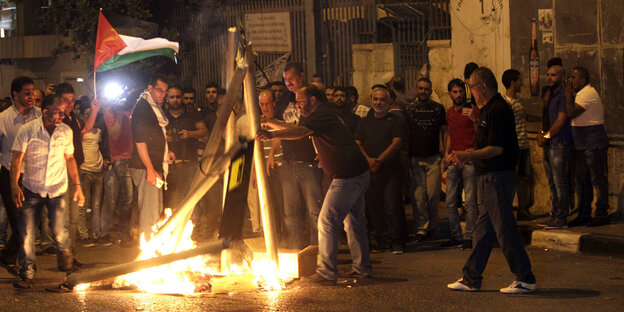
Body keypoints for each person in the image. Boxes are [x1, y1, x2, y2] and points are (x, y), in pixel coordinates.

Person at [258, 85, 371, 285]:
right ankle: (362, 268)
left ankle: (327, 272)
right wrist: (270, 122)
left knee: (326, 220)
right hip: (355, 172)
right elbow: (294, 128)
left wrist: (271, 134)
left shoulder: (322, 115)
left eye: (301, 101)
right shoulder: (319, 116)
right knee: (353, 222)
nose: (298, 105)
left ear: (313, 100)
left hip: (348, 176)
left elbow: (300, 131)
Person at [447, 67, 536, 294]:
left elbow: (496, 148)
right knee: (483, 231)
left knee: (505, 229)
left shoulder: (498, 109)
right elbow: (485, 143)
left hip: (497, 177)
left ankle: (525, 278)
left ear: (482, 87)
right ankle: (471, 277)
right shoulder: (487, 110)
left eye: (472, 87)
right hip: (488, 178)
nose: (471, 93)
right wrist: (469, 150)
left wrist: (468, 155)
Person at [10, 93, 85, 288]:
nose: (62, 116)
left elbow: (70, 158)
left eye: (63, 112)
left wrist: (77, 186)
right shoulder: (28, 130)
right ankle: (27, 273)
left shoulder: (66, 131)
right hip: (32, 188)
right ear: (45, 112)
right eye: (58, 112)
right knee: (27, 233)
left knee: (60, 231)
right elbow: (17, 159)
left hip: (57, 188)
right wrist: (14, 185)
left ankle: (67, 268)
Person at [267, 62, 323, 249]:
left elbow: (306, 130)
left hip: (309, 163)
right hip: (288, 162)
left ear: (301, 75)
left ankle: (318, 251)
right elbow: (283, 127)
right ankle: (295, 249)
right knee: (290, 212)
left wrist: (322, 152)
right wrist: (272, 153)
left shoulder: (314, 97)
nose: (288, 83)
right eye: (285, 80)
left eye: (291, 78)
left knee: (314, 210)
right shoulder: (284, 98)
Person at [355, 85, 406, 254]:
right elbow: (358, 143)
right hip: (371, 171)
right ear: (371, 100)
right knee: (373, 206)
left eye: (382, 99)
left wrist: (379, 160)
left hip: (391, 170)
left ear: (389, 101)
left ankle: (397, 242)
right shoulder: (364, 121)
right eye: (376, 99)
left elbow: (396, 143)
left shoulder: (396, 120)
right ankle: (380, 241)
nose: (379, 102)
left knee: (392, 205)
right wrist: (369, 160)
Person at [0, 76, 41, 276]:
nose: (31, 96)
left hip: (35, 176)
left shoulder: (40, 116)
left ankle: (7, 256)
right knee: (20, 224)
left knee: (30, 222)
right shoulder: (4, 119)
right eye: (26, 92)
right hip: (11, 176)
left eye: (32, 92)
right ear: (15, 94)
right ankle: (27, 265)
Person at [129, 75, 175, 240]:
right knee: (150, 211)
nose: (163, 94)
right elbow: (140, 141)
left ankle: (154, 246)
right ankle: (148, 249)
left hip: (154, 165)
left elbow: (154, 137)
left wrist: (165, 152)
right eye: (159, 90)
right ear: (150, 88)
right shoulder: (143, 108)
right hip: (146, 167)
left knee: (156, 209)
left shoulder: (153, 107)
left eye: (165, 91)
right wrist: (149, 168)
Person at [56, 82, 99, 248]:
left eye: (72, 100)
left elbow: (86, 128)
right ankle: (64, 255)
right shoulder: (56, 120)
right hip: (62, 172)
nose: (70, 103)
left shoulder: (72, 118)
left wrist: (94, 110)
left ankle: (70, 253)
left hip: (76, 170)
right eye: (65, 100)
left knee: (73, 216)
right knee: (66, 217)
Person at [565, 67, 610, 227]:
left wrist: (568, 96)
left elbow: (570, 113)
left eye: (573, 77)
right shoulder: (580, 94)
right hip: (582, 144)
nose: (570, 80)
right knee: (581, 179)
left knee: (597, 179)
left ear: (582, 80)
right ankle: (584, 213)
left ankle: (601, 213)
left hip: (593, 143)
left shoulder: (587, 94)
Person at [404, 77, 447, 241]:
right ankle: (422, 227)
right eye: (420, 88)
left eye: (426, 89)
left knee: (434, 195)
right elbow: (406, 134)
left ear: (431, 91)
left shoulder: (438, 109)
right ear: (416, 89)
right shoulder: (409, 109)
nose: (423, 91)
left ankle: (433, 225)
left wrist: (445, 152)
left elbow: (445, 131)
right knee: (418, 196)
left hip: (433, 157)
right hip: (416, 158)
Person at [442, 78, 479, 250]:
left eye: (460, 92)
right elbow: (449, 133)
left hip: (469, 160)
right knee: (450, 201)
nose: (458, 95)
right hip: (454, 160)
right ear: (450, 94)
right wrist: (446, 154)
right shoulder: (449, 112)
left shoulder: (473, 110)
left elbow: (481, 133)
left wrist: (474, 119)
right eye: (455, 92)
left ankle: (470, 236)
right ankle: (456, 235)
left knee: (470, 201)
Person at [536, 65, 573, 229]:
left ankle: (561, 217)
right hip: (550, 143)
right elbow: (547, 118)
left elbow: (560, 120)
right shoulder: (550, 95)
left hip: (559, 143)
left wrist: (547, 136)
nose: (549, 78)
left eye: (553, 75)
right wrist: (542, 134)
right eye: (548, 74)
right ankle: (554, 214)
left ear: (562, 77)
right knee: (552, 182)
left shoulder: (563, 96)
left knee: (560, 182)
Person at [164, 85, 207, 210]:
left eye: (178, 97)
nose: (175, 100)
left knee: (191, 199)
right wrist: (164, 138)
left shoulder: (192, 113)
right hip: (169, 166)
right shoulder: (162, 115)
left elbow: (204, 131)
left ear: (182, 98)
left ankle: (194, 226)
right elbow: (152, 136)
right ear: (167, 99)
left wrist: (189, 134)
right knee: (171, 200)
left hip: (189, 163)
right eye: (172, 97)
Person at [101, 96, 135, 246]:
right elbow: (114, 134)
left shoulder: (132, 109)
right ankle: (122, 234)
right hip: (120, 159)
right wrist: (120, 113)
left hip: (135, 157)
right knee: (126, 197)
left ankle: (131, 230)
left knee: (132, 198)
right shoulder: (110, 112)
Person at [502, 69, 535, 221]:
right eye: (519, 80)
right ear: (512, 82)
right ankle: (508, 207)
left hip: (524, 145)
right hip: (513, 146)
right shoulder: (505, 103)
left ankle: (522, 209)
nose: (521, 83)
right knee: (511, 178)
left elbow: (525, 116)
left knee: (524, 178)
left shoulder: (518, 101)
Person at [78, 100, 110, 245]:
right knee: (83, 205)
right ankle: (83, 235)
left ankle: (97, 234)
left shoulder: (99, 131)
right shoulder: (80, 131)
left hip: (98, 170)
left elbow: (102, 147)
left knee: (96, 205)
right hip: (85, 170)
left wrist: (104, 161)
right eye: (87, 114)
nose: (89, 116)